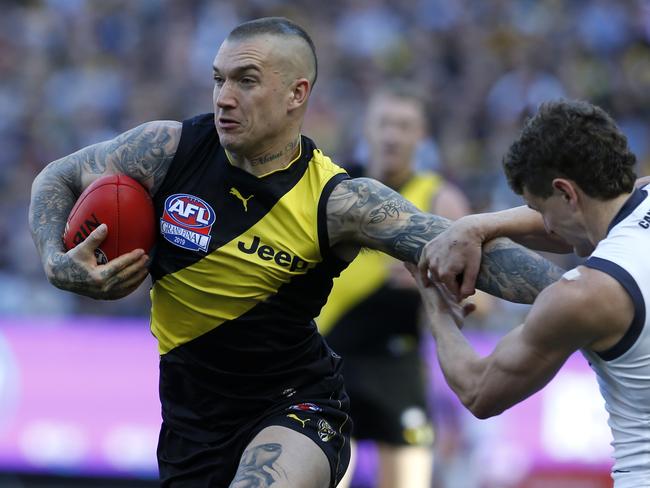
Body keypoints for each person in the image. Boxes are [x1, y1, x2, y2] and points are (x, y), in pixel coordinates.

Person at [28, 17, 563, 488]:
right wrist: (56, 260)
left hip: (298, 408)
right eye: (218, 79)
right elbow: (61, 174)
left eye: (246, 80)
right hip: (190, 424)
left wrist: (580, 290)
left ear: (296, 93)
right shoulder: (167, 150)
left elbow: (469, 254)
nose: (223, 97)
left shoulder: (339, 201)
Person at [414, 99, 650, 488]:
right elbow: (582, 224)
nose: (545, 226)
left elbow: (479, 391)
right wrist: (474, 226)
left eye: (540, 208)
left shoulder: (584, 295)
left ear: (566, 193)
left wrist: (437, 310)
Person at [317, 82, 470, 488]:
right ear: (367, 128)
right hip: (329, 359)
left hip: (397, 365)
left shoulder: (440, 199)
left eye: (404, 126)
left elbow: (480, 300)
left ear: (421, 136)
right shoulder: (336, 189)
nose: (392, 135)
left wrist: (437, 284)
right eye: (384, 123)